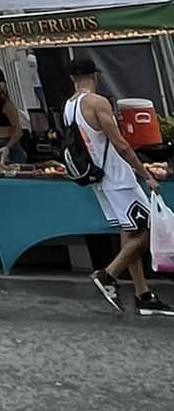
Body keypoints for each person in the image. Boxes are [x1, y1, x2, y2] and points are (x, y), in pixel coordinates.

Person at [64, 54, 173, 316]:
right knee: (151, 229)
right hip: (119, 178)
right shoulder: (97, 102)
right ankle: (108, 274)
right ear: (95, 76)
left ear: (72, 78)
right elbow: (120, 144)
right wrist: (145, 174)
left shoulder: (69, 106)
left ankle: (142, 294)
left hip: (100, 179)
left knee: (131, 233)